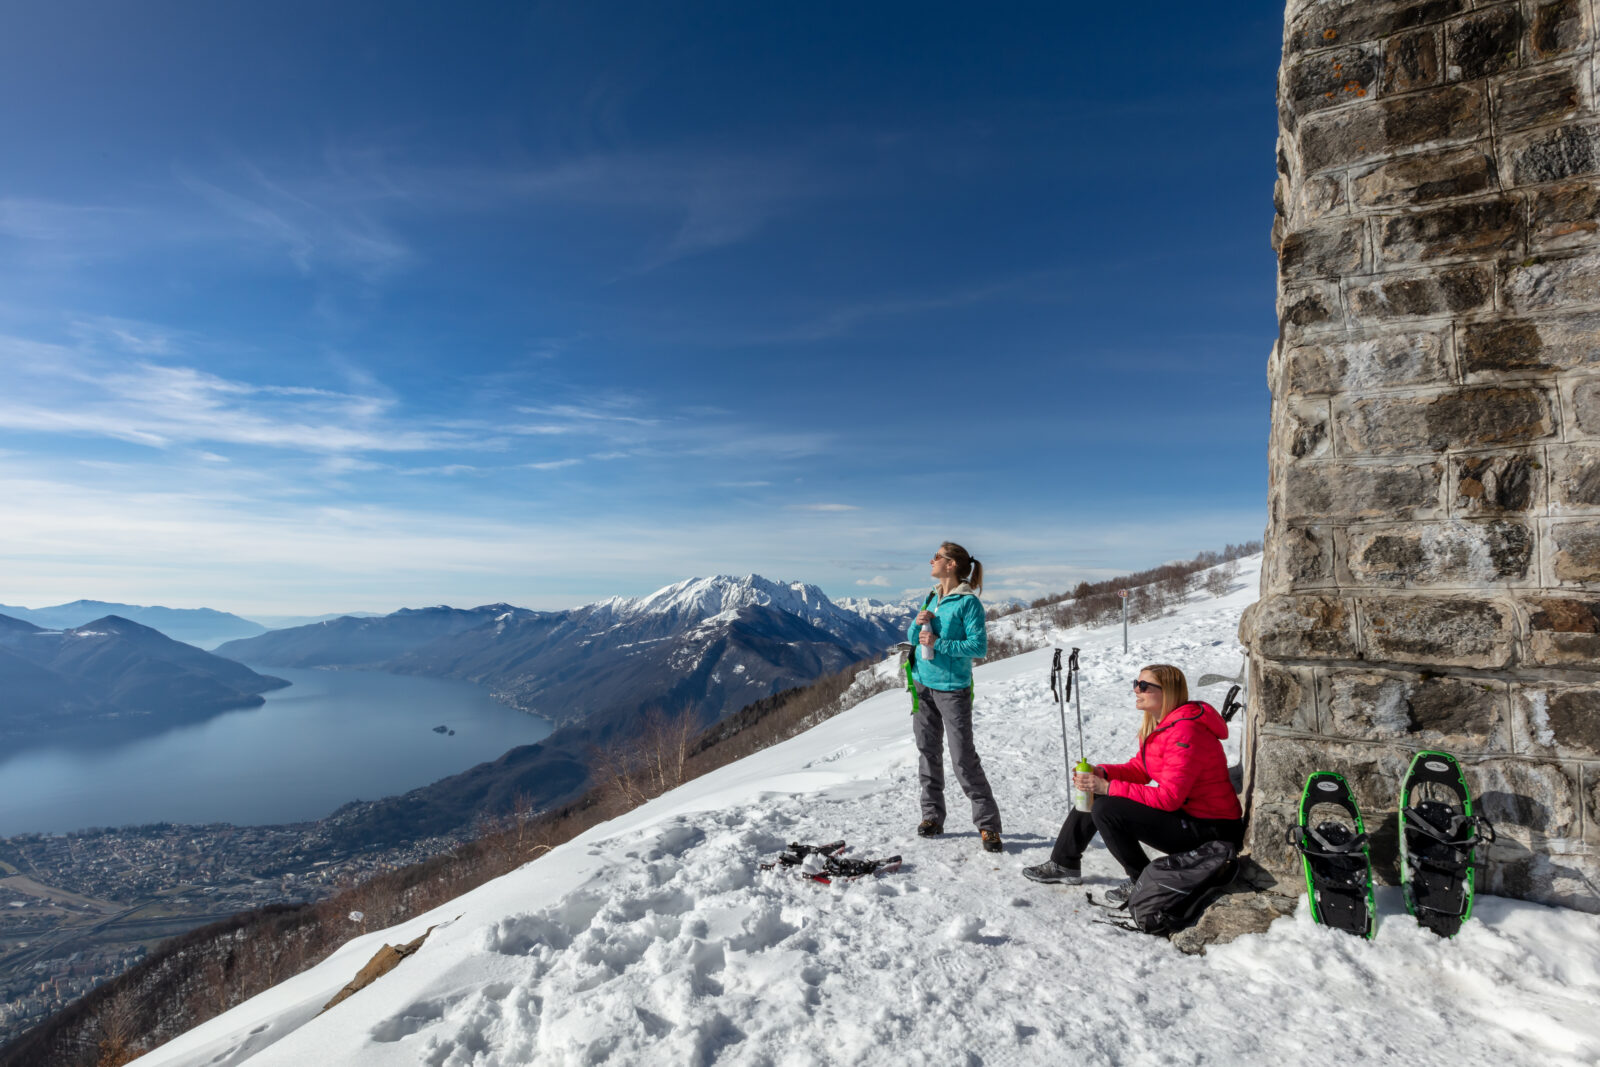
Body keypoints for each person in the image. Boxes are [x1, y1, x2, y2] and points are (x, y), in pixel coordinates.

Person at [1021, 663, 1242, 902]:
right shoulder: (1162, 725)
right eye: (1136, 683)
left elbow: (1168, 798)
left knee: (1107, 809)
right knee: (1097, 793)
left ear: (1167, 691)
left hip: (1211, 832)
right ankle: (1064, 863)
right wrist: (1102, 773)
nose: (1136, 689)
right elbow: (1141, 769)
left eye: (1144, 686)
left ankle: (1141, 881)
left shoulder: (1186, 731)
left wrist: (1108, 787)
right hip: (1187, 817)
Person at [909, 541, 1003, 853]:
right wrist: (918, 624)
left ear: (951, 565)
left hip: (952, 689)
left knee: (963, 757)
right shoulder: (932, 596)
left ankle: (988, 825)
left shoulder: (968, 603)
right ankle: (932, 817)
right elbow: (913, 639)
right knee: (928, 752)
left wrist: (939, 642)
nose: (931, 560)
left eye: (937, 557)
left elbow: (979, 647)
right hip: (921, 683)